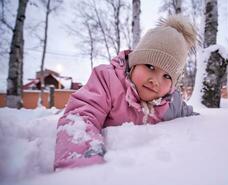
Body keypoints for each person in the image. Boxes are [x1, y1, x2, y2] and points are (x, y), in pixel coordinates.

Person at [54, 15, 198, 170]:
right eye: (150, 66)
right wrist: (83, 163)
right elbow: (81, 116)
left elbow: (193, 120)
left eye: (167, 76)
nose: (155, 80)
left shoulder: (171, 104)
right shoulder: (108, 81)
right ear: (134, 63)